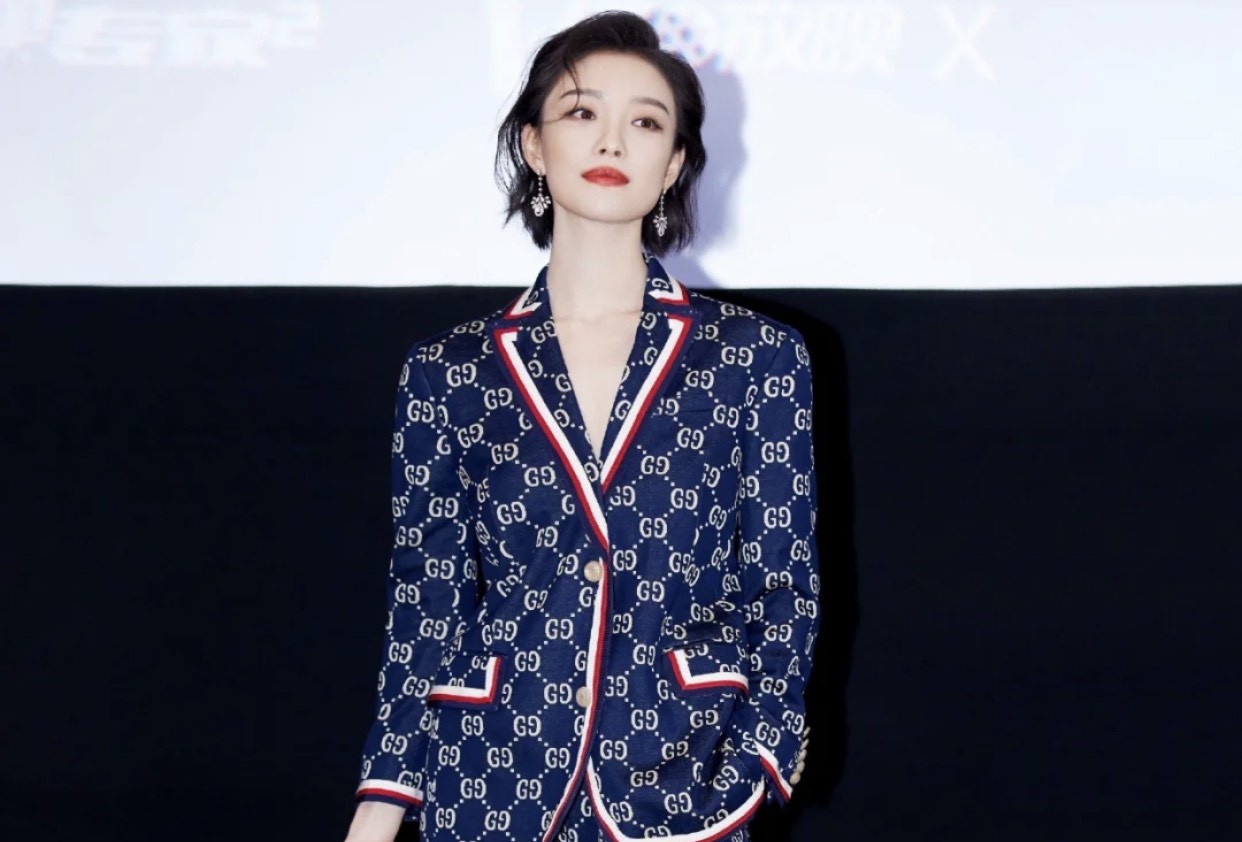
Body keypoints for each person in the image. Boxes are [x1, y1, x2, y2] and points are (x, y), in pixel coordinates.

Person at [343, 11, 818, 842]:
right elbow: (427, 605)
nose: (611, 141)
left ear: (674, 164)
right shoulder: (450, 371)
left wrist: (760, 761)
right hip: (490, 786)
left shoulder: (755, 358)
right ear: (533, 144)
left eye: (646, 122)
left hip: (683, 790)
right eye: (581, 112)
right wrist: (379, 811)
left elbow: (783, 588)